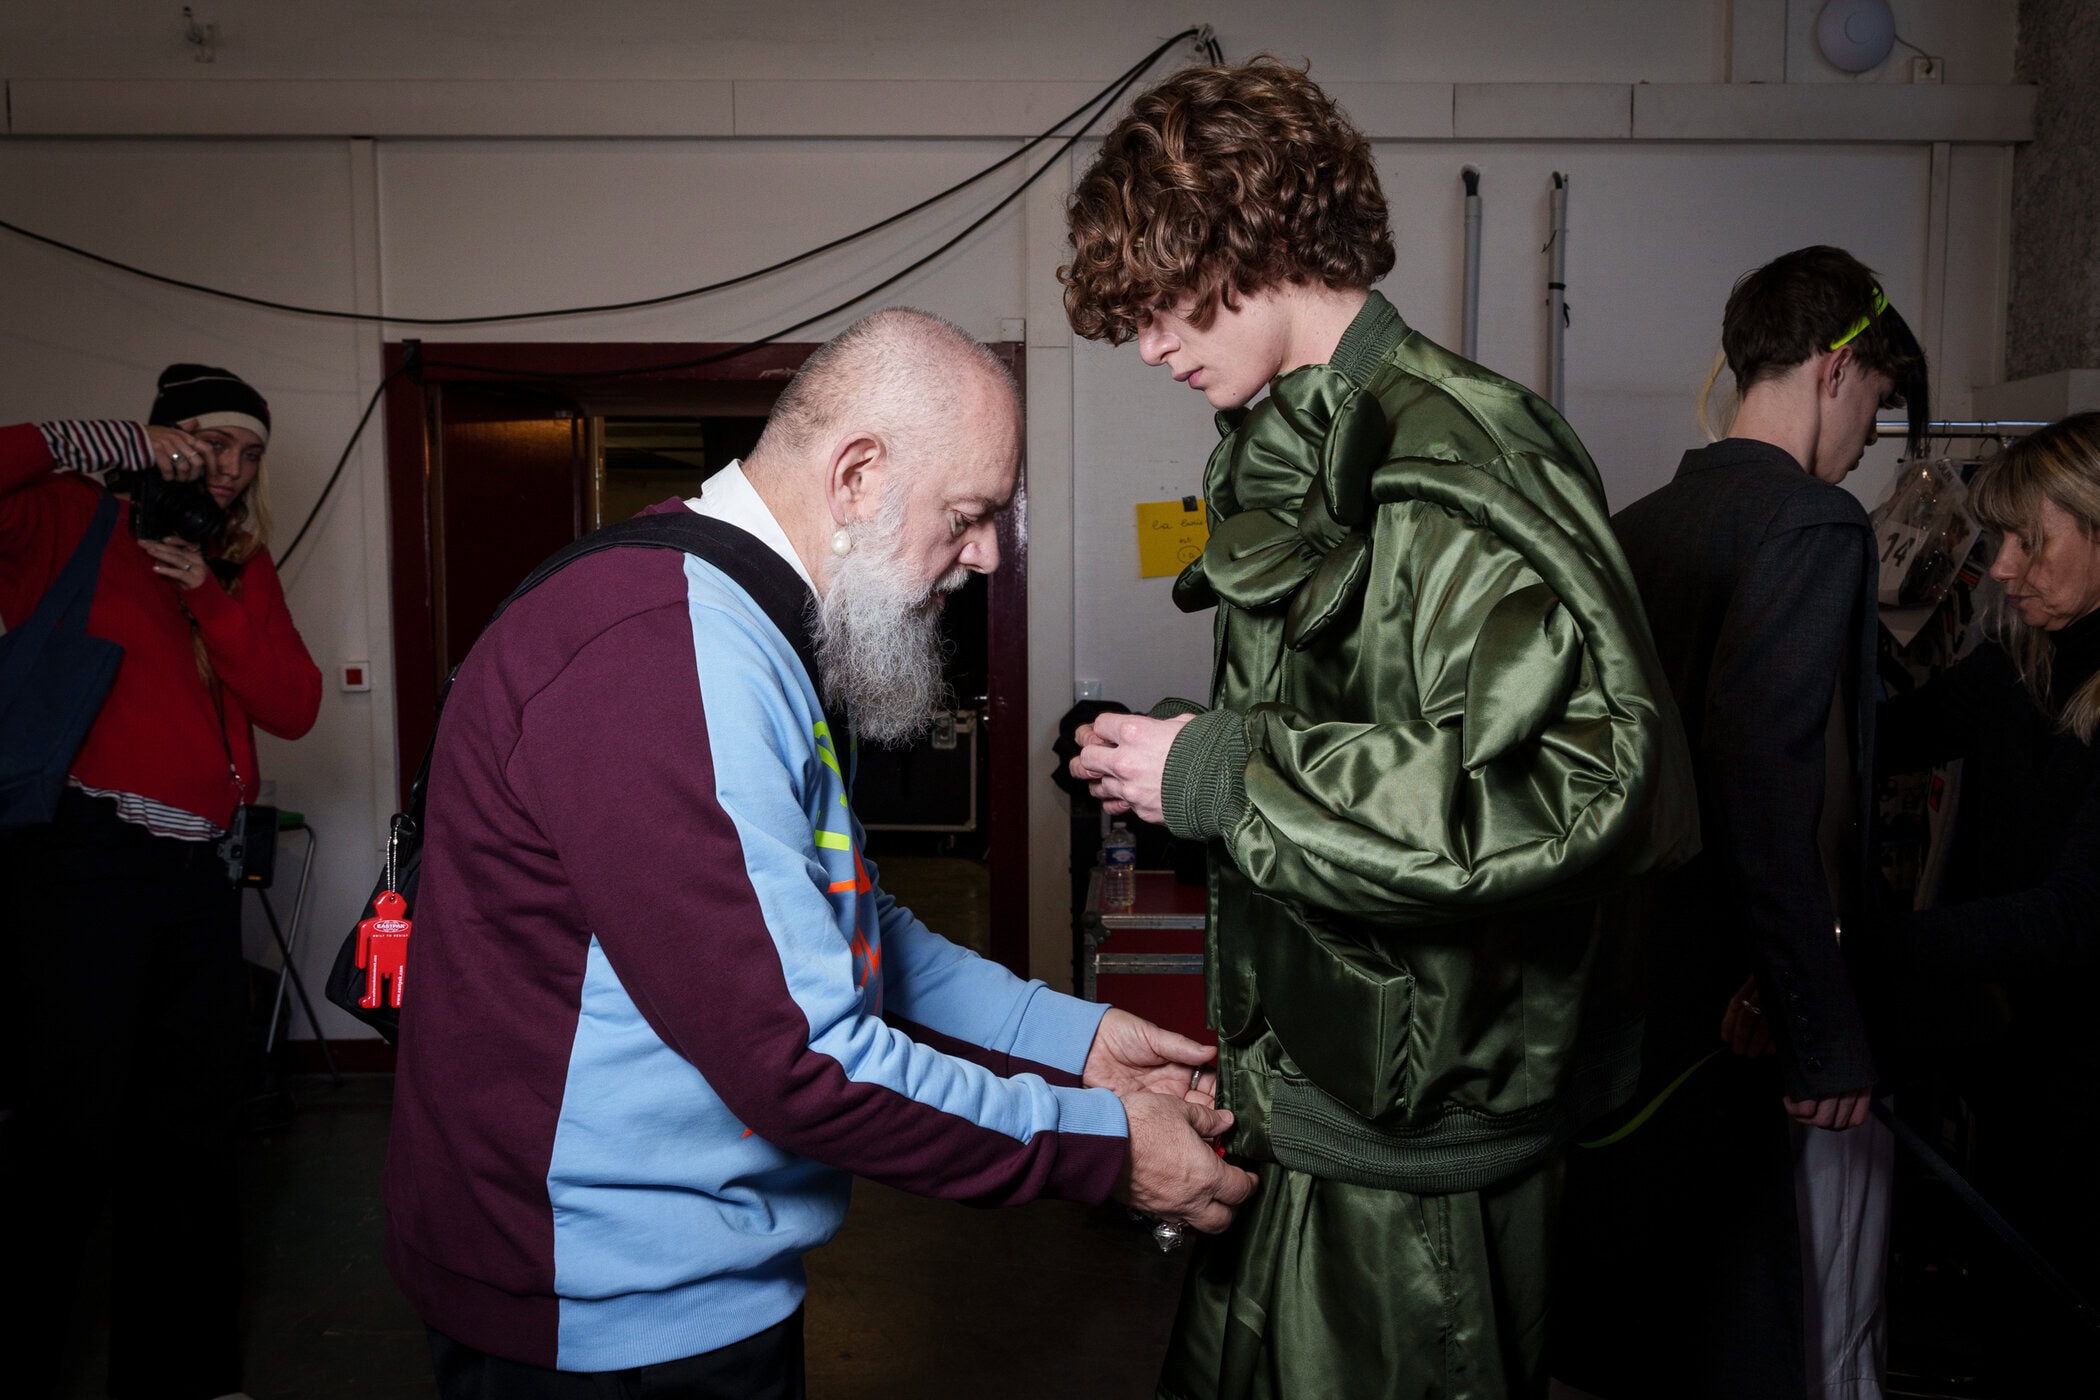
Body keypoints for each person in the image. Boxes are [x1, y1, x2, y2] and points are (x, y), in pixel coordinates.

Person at [383, 308, 1258, 1399]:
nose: (989, 554)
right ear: (857, 476)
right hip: (604, 1316)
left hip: (692, 1283)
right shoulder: (663, 649)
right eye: (968, 515)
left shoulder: (736, 621)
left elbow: (843, 924)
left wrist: (1073, 1042)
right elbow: (803, 1057)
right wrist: (1106, 1144)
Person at [1059, 60, 1698, 1400]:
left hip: (1417, 1175)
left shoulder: (1461, 451)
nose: (1150, 345)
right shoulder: (1305, 434)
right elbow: (1383, 723)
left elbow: (1582, 788)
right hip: (1314, 1115)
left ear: (1249, 239)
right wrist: (1187, 756)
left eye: (1162, 301)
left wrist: (1231, 772)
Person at [1552, 246, 1930, 1400]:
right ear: (1834, 367)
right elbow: (1766, 780)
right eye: (1876, 402)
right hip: (1731, 1022)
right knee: (1739, 1335)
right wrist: (1820, 1026)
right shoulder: (1812, 523)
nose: (1868, 437)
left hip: (1621, 1005)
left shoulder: (1636, 526)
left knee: (1635, 1336)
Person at [0, 364, 322, 1400]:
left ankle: (185, 1374)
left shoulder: (233, 561)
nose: (232, 468)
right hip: (81, 861)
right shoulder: (66, 517)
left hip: (195, 873)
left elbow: (294, 704)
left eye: (250, 453)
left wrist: (206, 595)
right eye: (211, 442)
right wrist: (98, 440)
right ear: (162, 437)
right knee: (64, 1131)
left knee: (191, 1134)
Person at [1867, 412, 2100, 1387]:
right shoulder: (2019, 666)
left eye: (2029, 541)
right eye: (1999, 540)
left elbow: (2070, 918)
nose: (2003, 568)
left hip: (2091, 1084)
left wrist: (1864, 942)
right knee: (2018, 1318)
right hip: (2023, 1060)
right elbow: (1891, 735)